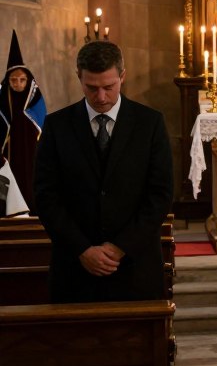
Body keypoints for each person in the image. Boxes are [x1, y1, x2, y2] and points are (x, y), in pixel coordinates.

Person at [34, 41, 173, 303]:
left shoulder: (150, 123)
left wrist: (120, 248)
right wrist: (83, 249)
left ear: (122, 76)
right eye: (91, 87)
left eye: (109, 87)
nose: (101, 97)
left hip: (136, 270)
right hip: (74, 272)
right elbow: (46, 197)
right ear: (79, 76)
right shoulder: (56, 126)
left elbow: (160, 195)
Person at [0, 30, 45, 213]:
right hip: (9, 155)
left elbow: (43, 126)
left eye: (22, 80)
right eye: (14, 80)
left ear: (29, 82)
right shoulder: (2, 102)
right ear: (8, 82)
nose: (18, 84)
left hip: (31, 154)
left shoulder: (34, 102)